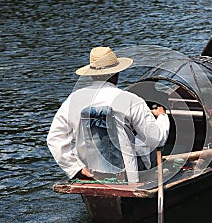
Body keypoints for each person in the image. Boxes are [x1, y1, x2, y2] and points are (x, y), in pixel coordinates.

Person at [47, 47, 170, 183]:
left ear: (92, 74)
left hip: (90, 175)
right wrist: (162, 117)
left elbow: (54, 139)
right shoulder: (130, 100)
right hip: (128, 177)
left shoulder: (73, 100)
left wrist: (76, 169)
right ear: (116, 73)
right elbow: (155, 139)